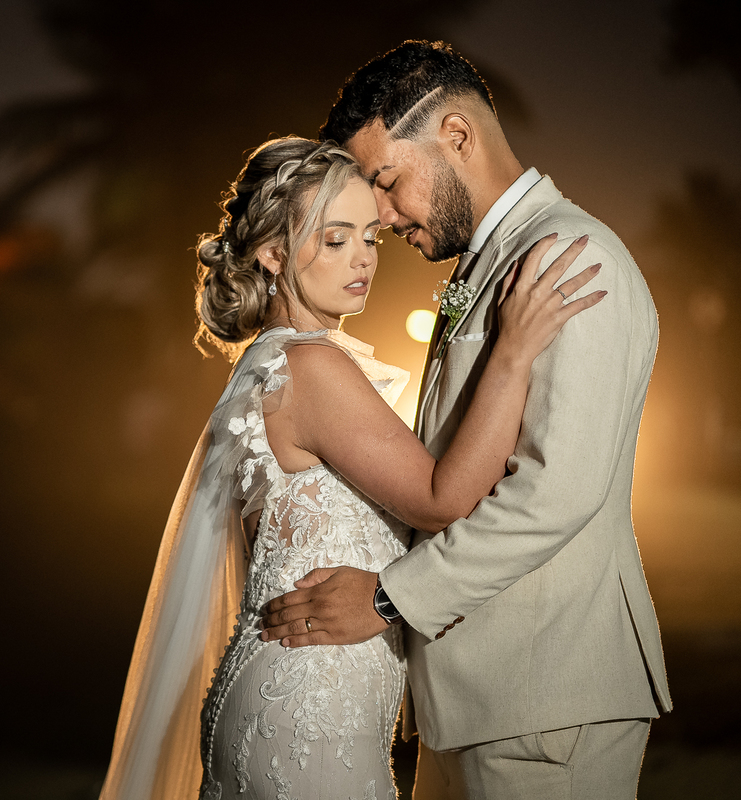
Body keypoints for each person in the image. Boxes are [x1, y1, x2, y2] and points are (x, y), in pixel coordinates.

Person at [99, 135, 602, 799]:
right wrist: (511, 355)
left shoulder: (273, 359)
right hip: (306, 717)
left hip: (296, 704)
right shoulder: (310, 366)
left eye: (371, 237)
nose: (363, 258)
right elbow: (438, 496)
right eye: (335, 239)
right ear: (273, 253)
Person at [260, 41, 671, 799]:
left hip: (547, 699)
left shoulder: (572, 257)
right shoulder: (483, 265)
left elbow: (557, 492)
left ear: (456, 135)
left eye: (386, 182)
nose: (380, 215)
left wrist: (388, 598)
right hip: (473, 699)